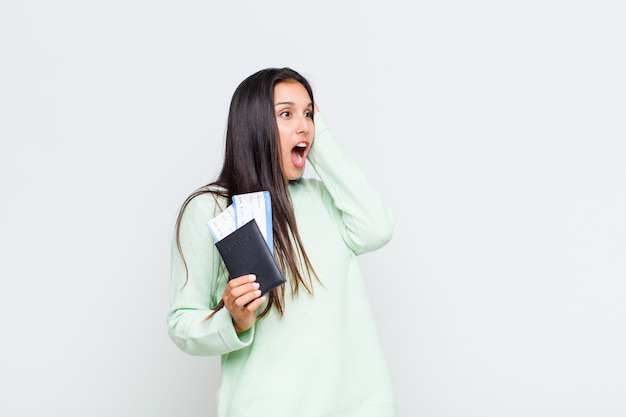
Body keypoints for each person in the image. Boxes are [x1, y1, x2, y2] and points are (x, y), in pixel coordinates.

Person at [167, 67, 396, 417]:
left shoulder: (326, 199)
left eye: (309, 114)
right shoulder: (211, 207)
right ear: (254, 125)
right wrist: (233, 321)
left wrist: (321, 144)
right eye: (286, 114)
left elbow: (376, 228)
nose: (303, 125)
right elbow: (182, 322)